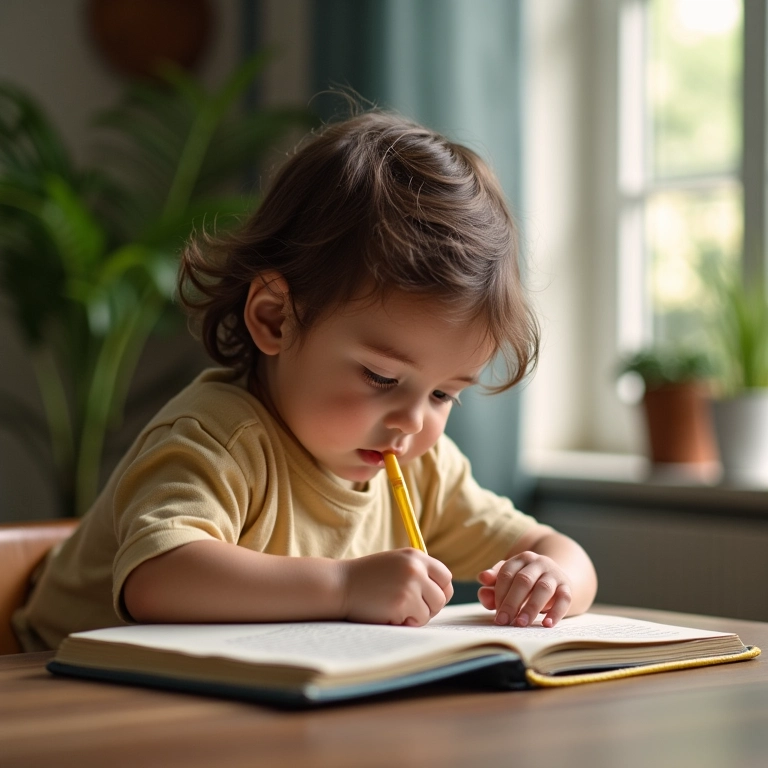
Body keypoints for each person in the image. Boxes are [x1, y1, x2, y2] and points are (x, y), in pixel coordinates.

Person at [13, 110, 597, 652]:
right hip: (51, 688)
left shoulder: (423, 465)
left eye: (444, 394)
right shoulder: (218, 437)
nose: (414, 422)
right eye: (381, 375)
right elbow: (156, 579)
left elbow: (560, 552)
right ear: (275, 317)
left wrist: (549, 577)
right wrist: (345, 585)